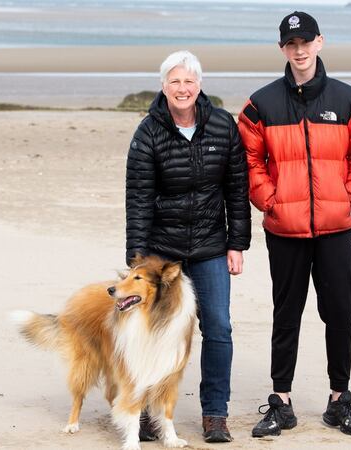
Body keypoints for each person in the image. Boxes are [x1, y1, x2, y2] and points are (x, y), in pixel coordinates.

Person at [238, 11, 351, 438]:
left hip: (337, 228)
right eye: (290, 44)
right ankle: (280, 401)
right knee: (286, 314)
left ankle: (340, 399)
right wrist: (272, 201)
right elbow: (247, 162)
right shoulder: (261, 103)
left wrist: (350, 199)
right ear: (282, 49)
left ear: (320, 43)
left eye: (305, 42)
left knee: (339, 312)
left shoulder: (348, 100)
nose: (299, 51)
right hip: (285, 229)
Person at [125, 50, 251, 443]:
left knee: (218, 328)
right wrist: (138, 259)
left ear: (199, 86)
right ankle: (149, 412)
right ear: (164, 87)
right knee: (157, 332)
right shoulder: (148, 132)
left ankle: (215, 414)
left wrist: (237, 244)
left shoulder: (222, 125)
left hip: (211, 247)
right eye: (175, 81)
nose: (183, 88)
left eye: (189, 81)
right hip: (163, 254)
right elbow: (139, 198)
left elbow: (236, 188)